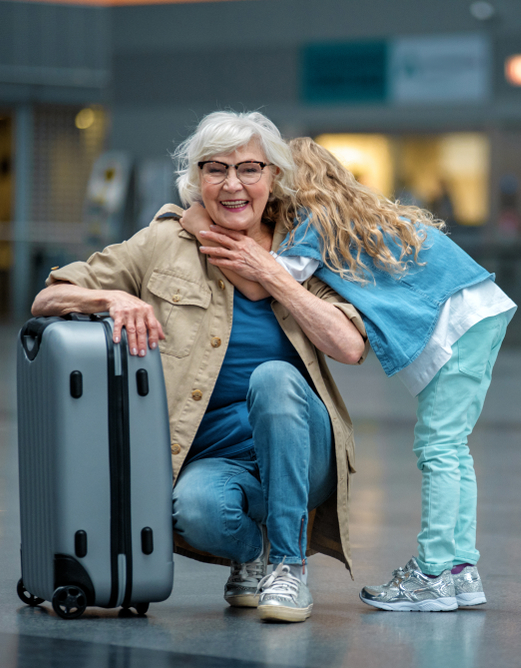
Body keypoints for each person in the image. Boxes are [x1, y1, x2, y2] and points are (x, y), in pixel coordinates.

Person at [32, 112, 368, 623]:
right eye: (216, 169)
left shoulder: (305, 247)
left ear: (273, 177)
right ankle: (252, 554)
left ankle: (288, 566)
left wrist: (270, 275)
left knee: (273, 378)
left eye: (250, 169)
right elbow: (49, 296)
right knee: (193, 511)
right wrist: (113, 298)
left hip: (304, 445)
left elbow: (348, 345)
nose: (233, 184)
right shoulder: (164, 242)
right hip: (215, 452)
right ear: (198, 180)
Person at [182, 137, 516, 612]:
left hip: (457, 322)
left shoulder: (313, 225)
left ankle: (436, 572)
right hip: (479, 308)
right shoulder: (358, 213)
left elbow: (264, 284)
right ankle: (460, 569)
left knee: (440, 448)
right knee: (452, 449)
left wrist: (198, 226)